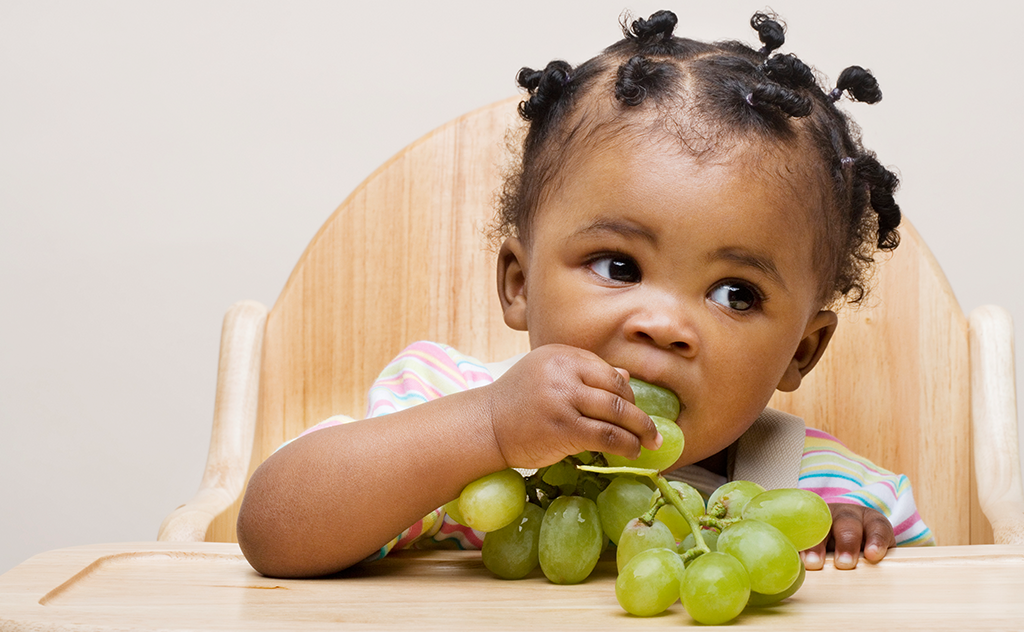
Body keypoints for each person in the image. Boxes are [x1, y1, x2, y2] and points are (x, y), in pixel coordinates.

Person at [236, 10, 934, 579]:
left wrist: (860, 554)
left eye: (735, 293)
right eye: (619, 267)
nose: (665, 325)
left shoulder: (815, 485)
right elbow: (273, 529)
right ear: (518, 284)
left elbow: (941, 600)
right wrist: (485, 428)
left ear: (801, 350)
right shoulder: (444, 404)